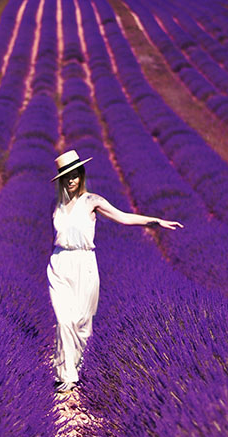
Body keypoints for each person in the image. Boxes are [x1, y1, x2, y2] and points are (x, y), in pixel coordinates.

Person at [47, 149, 184, 394]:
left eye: (74, 175)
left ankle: (76, 366)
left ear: (81, 175)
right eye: (66, 176)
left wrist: (155, 221)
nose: (71, 180)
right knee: (64, 320)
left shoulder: (92, 201)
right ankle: (66, 376)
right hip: (59, 263)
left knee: (82, 323)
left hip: (84, 263)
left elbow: (123, 218)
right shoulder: (57, 205)